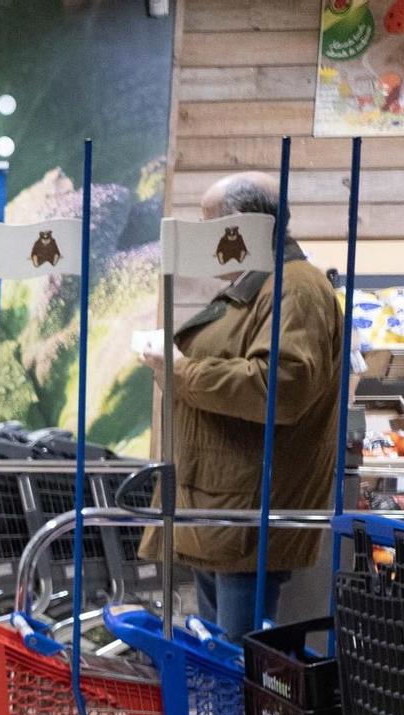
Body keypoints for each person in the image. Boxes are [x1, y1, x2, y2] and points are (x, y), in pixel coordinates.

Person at [138, 173, 343, 641]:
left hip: (247, 512)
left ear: (243, 228)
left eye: (210, 223)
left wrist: (180, 370)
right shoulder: (263, 285)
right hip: (220, 509)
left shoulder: (296, 289)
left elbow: (280, 387)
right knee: (220, 660)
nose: (203, 235)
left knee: (240, 666)